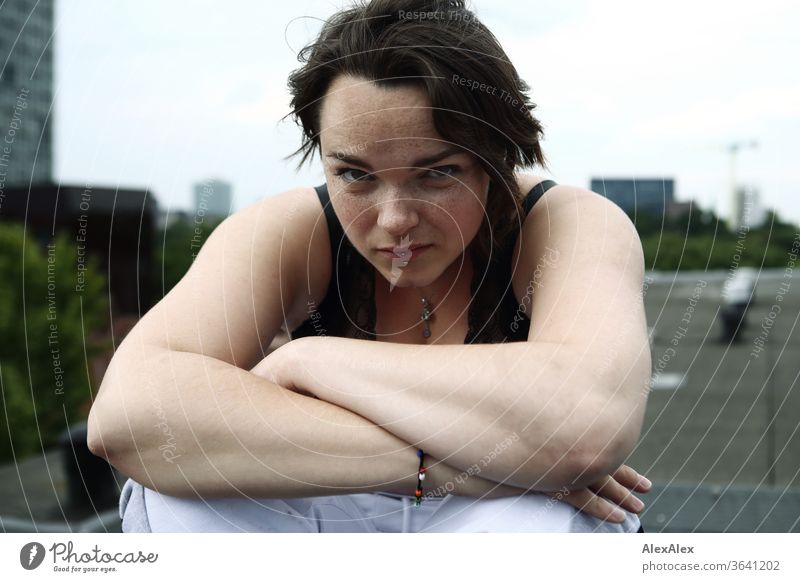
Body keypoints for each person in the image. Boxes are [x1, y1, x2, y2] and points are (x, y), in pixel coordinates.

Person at [88, 0, 653, 533]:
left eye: (438, 173)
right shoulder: (292, 231)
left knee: (558, 518)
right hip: (355, 492)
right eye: (356, 175)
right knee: (175, 491)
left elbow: (584, 427)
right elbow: (127, 418)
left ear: (498, 156)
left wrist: (308, 359)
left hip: (493, 520)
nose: (395, 219)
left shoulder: (563, 224)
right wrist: (450, 465)